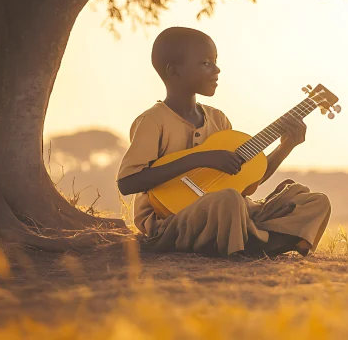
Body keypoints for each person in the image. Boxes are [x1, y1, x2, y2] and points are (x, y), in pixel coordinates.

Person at [115, 27, 331, 258]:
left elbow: (243, 179)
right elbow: (128, 183)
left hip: (231, 213)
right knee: (229, 200)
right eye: (206, 63)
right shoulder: (153, 120)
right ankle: (260, 242)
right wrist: (200, 159)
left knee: (314, 200)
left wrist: (285, 147)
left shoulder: (218, 119)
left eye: (215, 62)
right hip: (172, 223)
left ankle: (255, 243)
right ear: (174, 72)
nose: (217, 70)